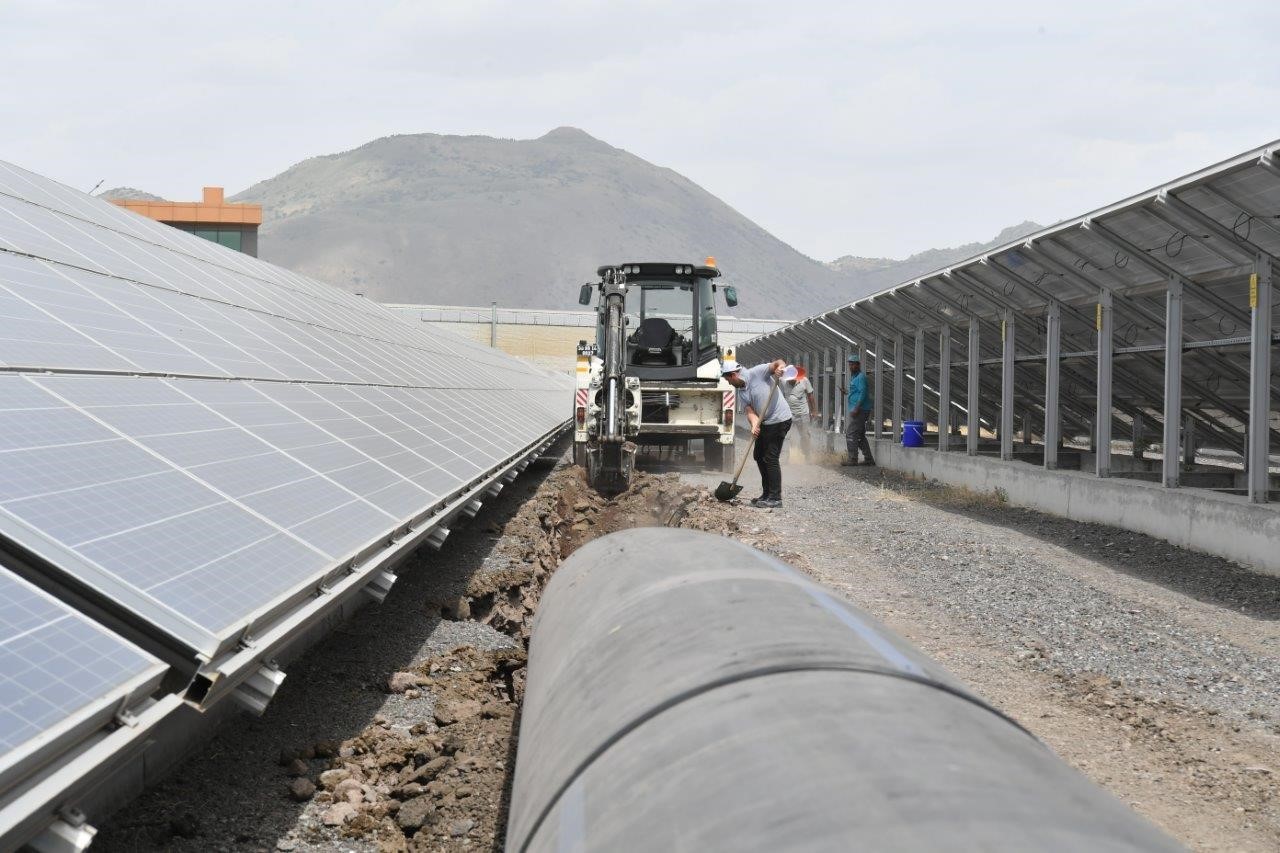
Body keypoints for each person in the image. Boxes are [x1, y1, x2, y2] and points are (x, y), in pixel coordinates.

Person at [721, 358, 791, 507]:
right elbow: (749, 411)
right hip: (764, 422)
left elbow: (778, 363)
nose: (728, 383)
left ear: (733, 375)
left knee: (770, 457)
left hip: (779, 419)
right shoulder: (742, 391)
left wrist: (780, 369)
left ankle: (775, 498)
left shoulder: (757, 373)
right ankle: (766, 494)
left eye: (728, 380)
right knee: (758, 455)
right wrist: (754, 424)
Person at [842, 353, 875, 466]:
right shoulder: (854, 377)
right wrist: (846, 392)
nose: (851, 367)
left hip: (861, 410)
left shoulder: (861, 377)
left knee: (851, 433)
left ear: (858, 365)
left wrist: (856, 407)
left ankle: (852, 459)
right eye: (850, 365)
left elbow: (863, 393)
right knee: (860, 435)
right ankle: (869, 459)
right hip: (859, 409)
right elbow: (855, 392)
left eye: (853, 364)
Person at [783, 366, 818, 459]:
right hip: (789, 414)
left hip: (802, 414)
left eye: (791, 378)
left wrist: (814, 410)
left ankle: (807, 455)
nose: (789, 380)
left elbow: (810, 396)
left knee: (804, 435)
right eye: (788, 378)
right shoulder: (783, 382)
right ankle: (786, 457)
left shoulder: (804, 380)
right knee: (784, 435)